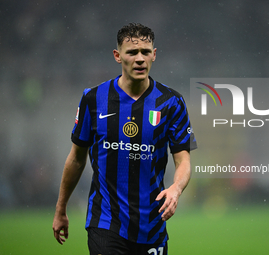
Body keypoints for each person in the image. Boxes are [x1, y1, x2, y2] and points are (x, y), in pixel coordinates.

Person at [52, 23, 197, 255]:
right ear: (118, 56)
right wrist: (61, 209)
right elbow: (76, 159)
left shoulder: (171, 103)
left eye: (145, 52)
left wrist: (176, 189)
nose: (140, 59)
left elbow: (183, 160)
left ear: (154, 55)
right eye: (132, 52)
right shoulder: (93, 99)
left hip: (152, 226)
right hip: (105, 222)